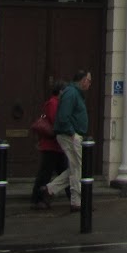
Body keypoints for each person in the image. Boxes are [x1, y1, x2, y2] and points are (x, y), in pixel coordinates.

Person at [45, 70, 91, 209]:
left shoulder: (74, 93)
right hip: (69, 135)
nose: (90, 83)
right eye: (89, 80)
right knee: (78, 167)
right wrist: (72, 133)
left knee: (75, 167)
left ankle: (50, 189)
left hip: (71, 134)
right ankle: (77, 201)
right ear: (82, 80)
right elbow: (63, 116)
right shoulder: (71, 93)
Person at [31, 77, 67, 209]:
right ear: (60, 91)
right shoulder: (53, 103)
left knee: (65, 173)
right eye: (65, 91)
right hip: (51, 145)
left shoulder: (57, 103)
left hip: (57, 146)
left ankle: (76, 199)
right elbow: (55, 120)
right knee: (47, 174)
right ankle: (37, 199)